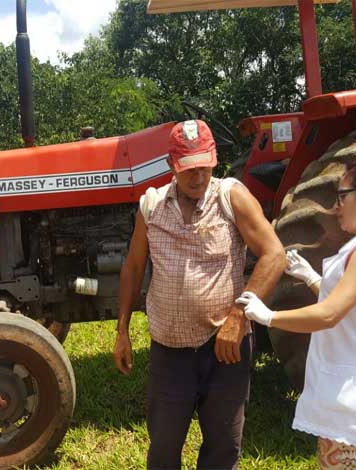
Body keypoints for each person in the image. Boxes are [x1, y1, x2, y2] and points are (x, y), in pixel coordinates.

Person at [113, 119, 286, 469]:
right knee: (163, 445)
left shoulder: (230, 196)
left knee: (223, 445)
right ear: (172, 166)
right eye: (189, 169)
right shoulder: (152, 206)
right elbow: (133, 267)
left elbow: (274, 254)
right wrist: (122, 332)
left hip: (225, 347)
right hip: (170, 350)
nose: (198, 177)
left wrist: (238, 318)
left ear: (214, 160)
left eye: (205, 167)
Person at [237, 158, 356, 469]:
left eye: (341, 196)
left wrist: (268, 316)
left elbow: (330, 313)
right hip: (347, 376)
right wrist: (310, 277)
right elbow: (348, 301)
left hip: (355, 383)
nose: (336, 208)